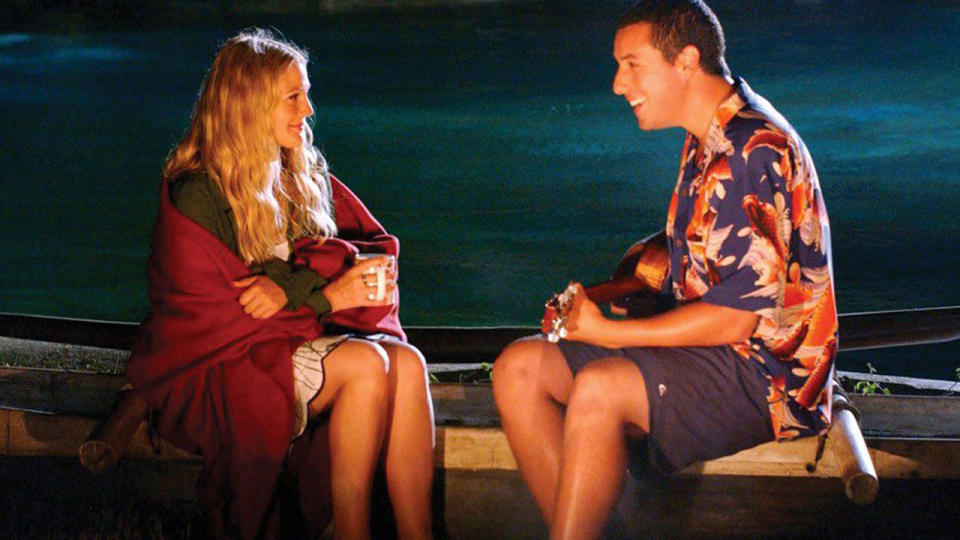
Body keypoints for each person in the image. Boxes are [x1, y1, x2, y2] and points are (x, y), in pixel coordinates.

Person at [492, 1, 838, 538]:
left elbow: (737, 320)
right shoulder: (708, 136)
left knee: (602, 387)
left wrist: (608, 333)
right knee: (518, 370)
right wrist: (606, 294)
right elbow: (699, 254)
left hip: (768, 375)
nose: (616, 84)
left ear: (686, 61)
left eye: (631, 64)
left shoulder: (752, 149)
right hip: (710, 351)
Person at [125, 29, 434, 540]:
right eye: (293, 96)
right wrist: (326, 291)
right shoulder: (198, 192)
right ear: (248, 105)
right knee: (367, 363)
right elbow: (223, 310)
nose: (308, 109)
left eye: (304, 93)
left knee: (408, 362)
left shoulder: (297, 172)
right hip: (223, 363)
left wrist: (307, 284)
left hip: (288, 339)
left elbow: (343, 254)